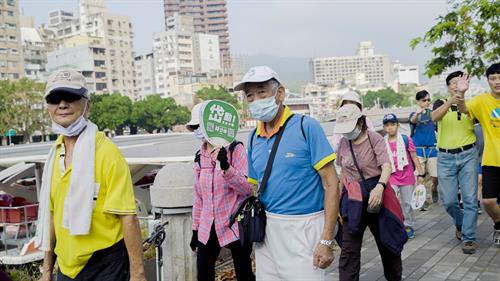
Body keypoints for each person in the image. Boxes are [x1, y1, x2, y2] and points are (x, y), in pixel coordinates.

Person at [35, 69, 145, 280]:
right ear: (48, 107)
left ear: (87, 104)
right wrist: (47, 271)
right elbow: (51, 216)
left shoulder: (105, 152)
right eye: (55, 98)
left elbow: (128, 217)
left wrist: (138, 273)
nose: (62, 104)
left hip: (105, 265)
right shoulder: (54, 154)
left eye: (71, 97)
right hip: (67, 269)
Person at [235, 66, 340, 280]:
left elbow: (331, 184)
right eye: (250, 96)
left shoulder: (306, 127)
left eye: (261, 92)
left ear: (280, 93)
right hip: (268, 230)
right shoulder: (254, 138)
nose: (255, 100)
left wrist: (326, 240)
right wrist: (257, 241)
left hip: (304, 227)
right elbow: (256, 188)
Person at [335, 104, 406, 281]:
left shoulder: (374, 138)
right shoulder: (344, 142)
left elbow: (386, 166)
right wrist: (337, 201)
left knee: (387, 243)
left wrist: (380, 187)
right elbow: (343, 172)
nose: (347, 133)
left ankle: (394, 277)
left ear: (360, 122)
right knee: (349, 249)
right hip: (353, 197)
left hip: (377, 192)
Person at [186, 103, 255, 281]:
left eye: (198, 126)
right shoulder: (199, 156)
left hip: (234, 223)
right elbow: (199, 197)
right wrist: (195, 229)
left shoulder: (235, 150)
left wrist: (226, 167)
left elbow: (247, 188)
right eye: (194, 128)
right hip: (207, 226)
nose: (196, 131)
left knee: (244, 273)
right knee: (204, 274)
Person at [431, 70, 478, 254]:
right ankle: (460, 222)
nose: (457, 85)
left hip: (468, 155)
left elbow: (472, 115)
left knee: (470, 200)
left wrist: (461, 98)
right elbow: (434, 117)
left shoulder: (472, 104)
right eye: (453, 83)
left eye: (460, 82)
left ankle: (469, 238)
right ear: (448, 86)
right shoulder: (441, 102)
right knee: (449, 201)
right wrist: (453, 99)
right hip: (445, 157)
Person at [455, 63, 500, 247]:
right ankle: (498, 224)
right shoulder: (482, 101)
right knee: (488, 202)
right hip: (491, 160)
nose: (497, 81)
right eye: (493, 78)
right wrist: (461, 93)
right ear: (488, 81)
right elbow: (463, 109)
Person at [382, 113, 425, 239]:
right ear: (384, 128)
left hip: (407, 177)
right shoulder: (382, 142)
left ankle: (408, 225)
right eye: (387, 125)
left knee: (407, 203)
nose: (390, 128)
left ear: (398, 125)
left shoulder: (406, 139)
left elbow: (414, 156)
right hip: (392, 177)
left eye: (392, 124)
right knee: (391, 202)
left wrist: (421, 173)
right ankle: (394, 225)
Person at [409, 90, 439, 210]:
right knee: (420, 176)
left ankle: (434, 189)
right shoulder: (414, 114)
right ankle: (423, 201)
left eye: (428, 100)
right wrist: (418, 113)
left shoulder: (433, 114)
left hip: (432, 149)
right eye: (423, 100)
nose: (426, 102)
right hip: (419, 150)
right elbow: (412, 121)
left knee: (434, 177)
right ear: (418, 101)